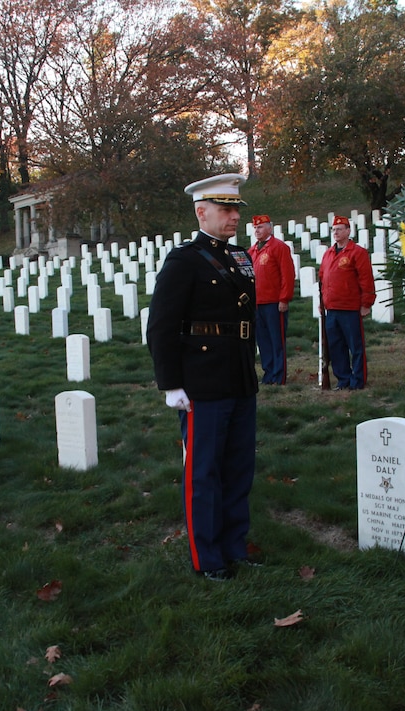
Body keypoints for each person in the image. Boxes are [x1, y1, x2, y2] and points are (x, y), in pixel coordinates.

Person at [146, 173, 259, 582]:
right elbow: (161, 325)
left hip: (240, 375)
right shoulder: (184, 260)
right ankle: (208, 556)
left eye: (235, 210)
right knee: (205, 471)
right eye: (226, 210)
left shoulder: (240, 257)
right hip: (203, 381)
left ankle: (234, 546)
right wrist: (171, 383)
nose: (233, 217)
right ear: (201, 212)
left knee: (238, 467)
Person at [319, 215, 375, 390]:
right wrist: (322, 302)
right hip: (332, 308)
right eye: (333, 229)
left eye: (340, 229)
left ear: (348, 231)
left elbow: (366, 279)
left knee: (355, 346)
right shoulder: (328, 253)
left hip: (350, 307)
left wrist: (366, 303)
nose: (336, 232)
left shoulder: (357, 252)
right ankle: (343, 379)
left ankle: (357, 380)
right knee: (336, 347)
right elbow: (322, 278)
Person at [248, 214, 295, 385]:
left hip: (274, 303)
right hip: (257, 303)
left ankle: (279, 375)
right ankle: (268, 374)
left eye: (260, 227)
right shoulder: (252, 251)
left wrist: (284, 298)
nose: (257, 231)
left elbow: (287, 275)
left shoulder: (278, 247)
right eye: (255, 228)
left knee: (277, 339)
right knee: (263, 341)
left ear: (269, 228)